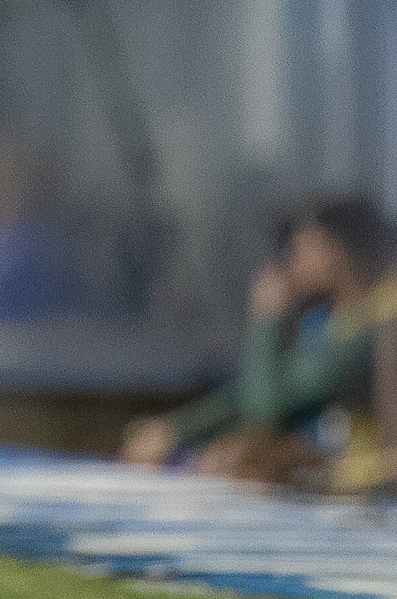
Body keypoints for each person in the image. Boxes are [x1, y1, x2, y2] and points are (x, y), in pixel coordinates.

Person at [121, 199, 397, 486]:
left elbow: (270, 403)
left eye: (303, 249)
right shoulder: (340, 317)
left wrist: (267, 321)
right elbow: (269, 391)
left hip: (378, 493)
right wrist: (175, 430)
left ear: (335, 251)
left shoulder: (383, 319)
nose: (291, 262)